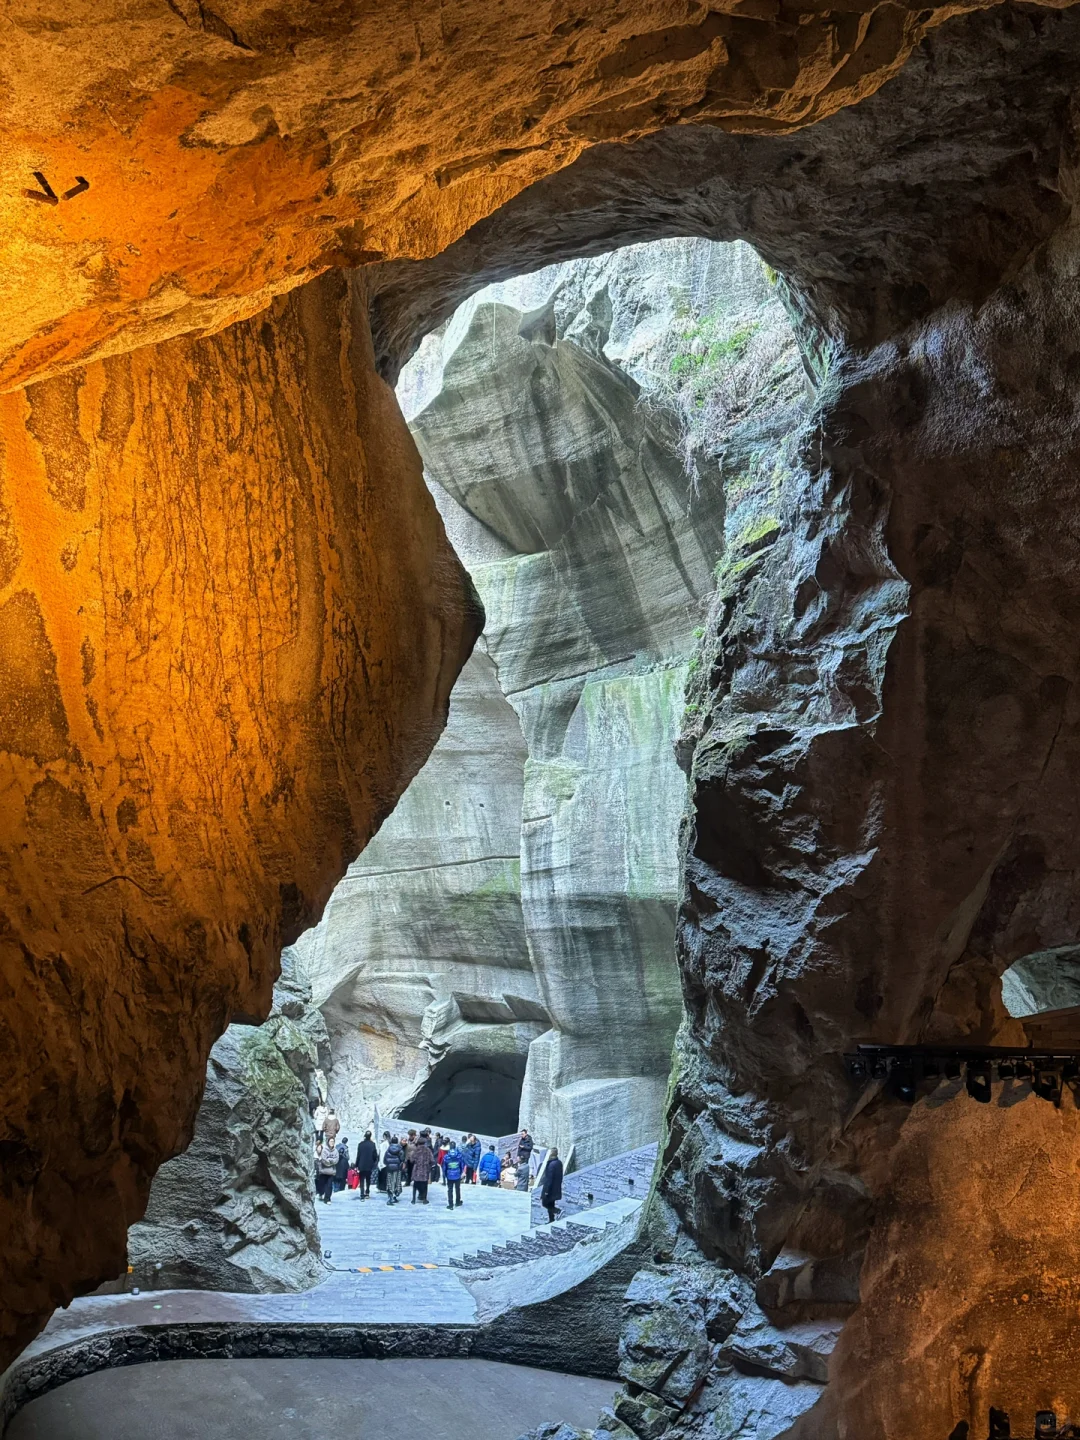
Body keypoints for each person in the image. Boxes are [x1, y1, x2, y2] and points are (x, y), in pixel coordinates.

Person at [411, 1131, 435, 1204]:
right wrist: (429, 1166)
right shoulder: (428, 1150)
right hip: (425, 1170)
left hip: (417, 1170)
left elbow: (412, 1160)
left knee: (415, 1185)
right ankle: (424, 1199)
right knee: (425, 1185)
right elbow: (432, 1160)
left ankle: (413, 1199)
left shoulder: (415, 1150)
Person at [540, 1146, 563, 1224]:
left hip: (550, 1188)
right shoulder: (559, 1163)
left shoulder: (551, 1164)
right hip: (556, 1188)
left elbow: (549, 1179)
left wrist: (546, 1191)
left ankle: (557, 1211)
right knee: (551, 1203)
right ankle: (551, 1220)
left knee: (545, 1203)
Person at [442, 1138, 465, 1210]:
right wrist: (460, 1172)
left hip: (449, 1175)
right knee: (457, 1188)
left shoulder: (446, 1156)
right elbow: (462, 1165)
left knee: (450, 1189)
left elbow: (444, 1167)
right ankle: (458, 1201)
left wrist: (445, 1174)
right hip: (457, 1174)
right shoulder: (459, 1156)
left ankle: (450, 1204)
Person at [314, 1136, 338, 1203]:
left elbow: (336, 1159)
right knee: (322, 1184)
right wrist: (330, 1162)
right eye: (331, 1141)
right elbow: (324, 1159)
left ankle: (327, 1198)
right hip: (324, 1171)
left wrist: (330, 1161)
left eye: (333, 1141)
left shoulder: (336, 1151)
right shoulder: (324, 1150)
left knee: (329, 1185)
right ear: (328, 1142)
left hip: (331, 1171)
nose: (332, 1143)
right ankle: (321, 1193)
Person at [355, 1131, 378, 1199]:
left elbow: (358, 1155)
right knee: (368, 1179)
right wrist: (373, 1162)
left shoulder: (360, 1144)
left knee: (361, 1179)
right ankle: (367, 1192)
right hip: (369, 1165)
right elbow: (375, 1155)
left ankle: (362, 1194)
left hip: (361, 1164)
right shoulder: (372, 1144)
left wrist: (356, 1165)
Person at [383, 1135, 405, 1205]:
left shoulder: (388, 1150)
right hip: (397, 1169)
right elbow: (402, 1159)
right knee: (396, 1182)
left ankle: (390, 1196)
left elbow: (385, 1161)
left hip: (389, 1169)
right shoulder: (400, 1150)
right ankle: (395, 1195)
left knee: (390, 1182)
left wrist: (388, 1164)